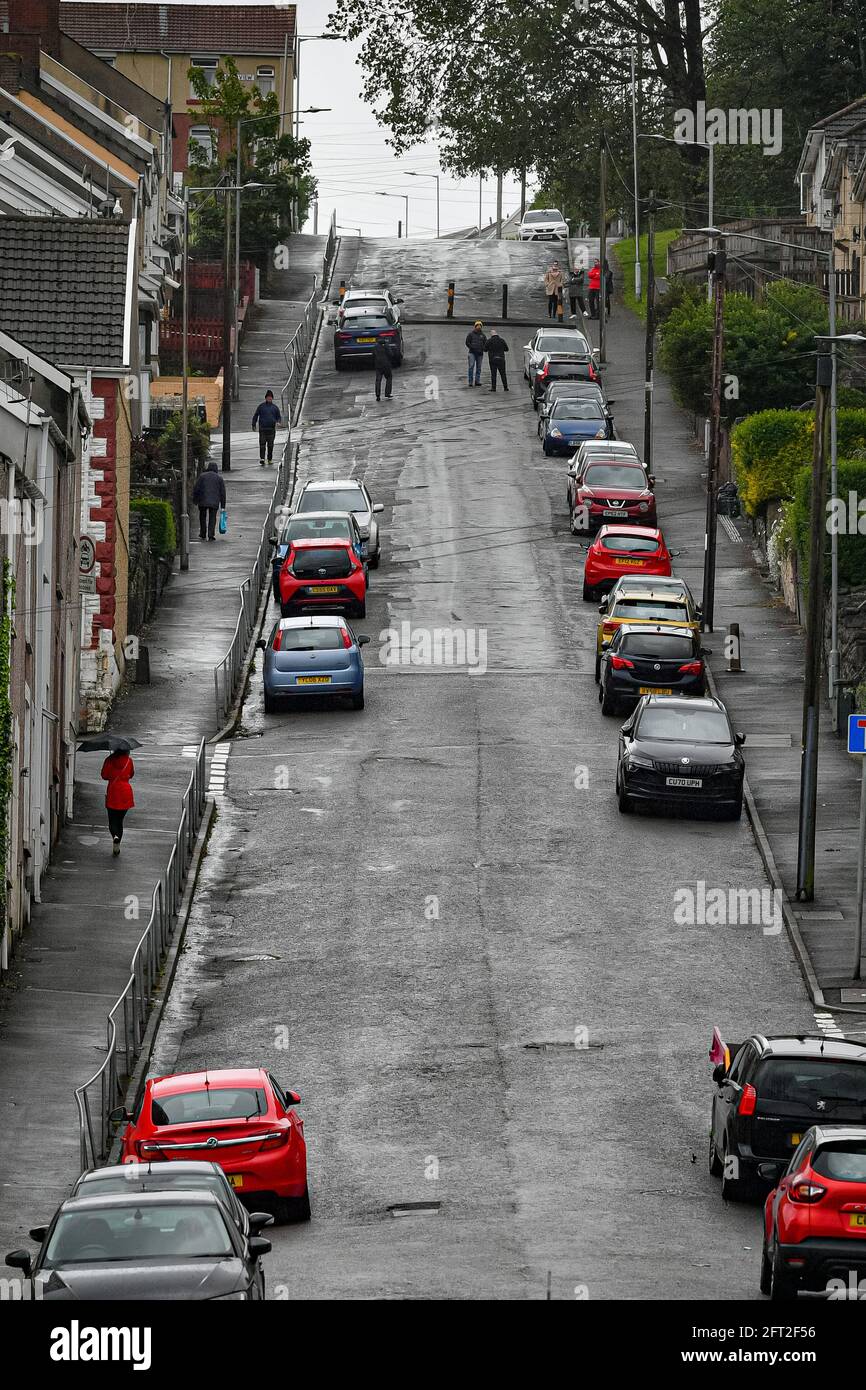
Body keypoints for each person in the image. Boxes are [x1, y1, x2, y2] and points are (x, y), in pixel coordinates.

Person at [101, 749, 134, 856]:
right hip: (125, 792)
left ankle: (115, 836)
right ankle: (117, 843)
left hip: (113, 792)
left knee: (112, 820)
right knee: (120, 821)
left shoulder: (109, 760)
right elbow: (131, 774)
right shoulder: (129, 761)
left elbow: (104, 775)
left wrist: (109, 763)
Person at [192, 459, 226, 542]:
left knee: (202, 517)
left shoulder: (202, 476)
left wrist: (195, 500)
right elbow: (222, 493)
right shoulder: (219, 478)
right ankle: (211, 535)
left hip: (202, 500)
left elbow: (197, 488)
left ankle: (203, 533)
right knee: (212, 518)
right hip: (214, 502)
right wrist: (223, 506)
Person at [252, 389, 281, 465]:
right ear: (265, 398)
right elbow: (256, 415)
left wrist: (278, 422)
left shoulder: (275, 408)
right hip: (262, 430)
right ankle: (262, 458)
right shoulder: (261, 407)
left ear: (272, 398)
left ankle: (269, 459)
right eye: (268, 397)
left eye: (270, 397)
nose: (269, 399)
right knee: (262, 444)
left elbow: (278, 417)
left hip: (271, 430)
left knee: (270, 446)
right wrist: (253, 424)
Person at [465, 321, 487, 386]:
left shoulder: (483, 335)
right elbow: (467, 342)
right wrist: (472, 347)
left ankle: (477, 381)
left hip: (480, 354)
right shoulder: (470, 334)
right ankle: (470, 382)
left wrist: (483, 349)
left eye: (480, 325)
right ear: (475, 326)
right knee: (471, 367)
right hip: (472, 353)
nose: (479, 326)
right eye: (478, 325)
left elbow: (486, 343)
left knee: (479, 368)